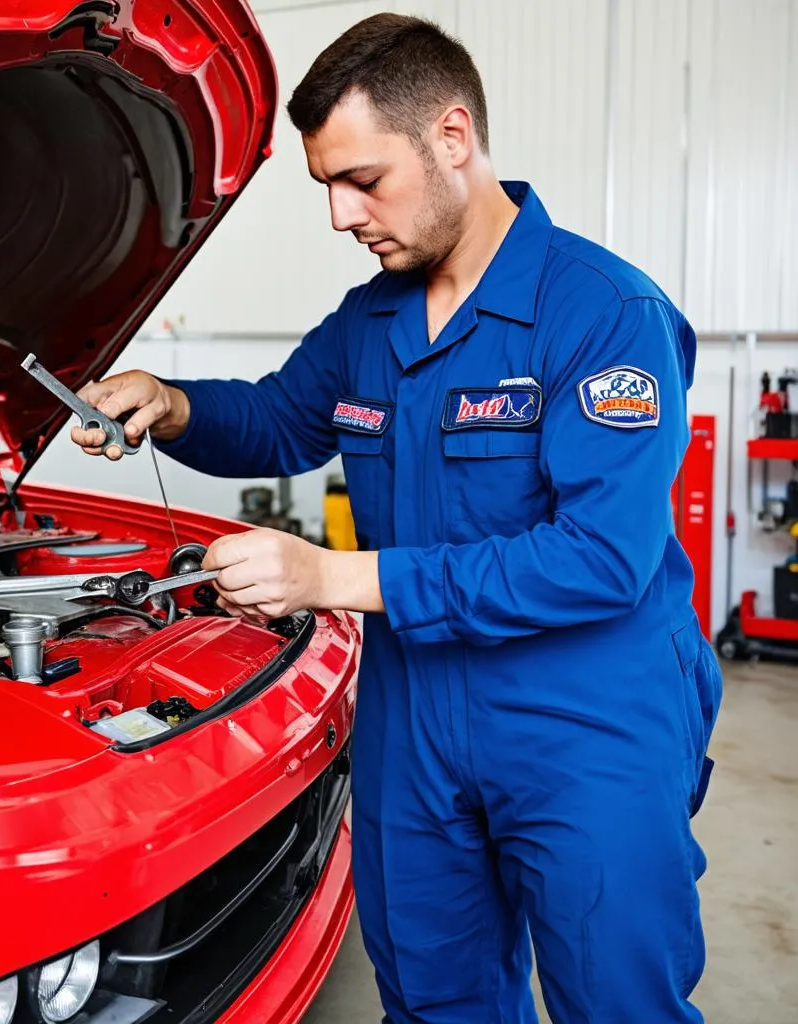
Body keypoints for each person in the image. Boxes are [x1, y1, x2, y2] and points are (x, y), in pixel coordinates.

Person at [71, 14, 723, 1024]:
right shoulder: (371, 318)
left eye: (362, 180)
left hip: (585, 715)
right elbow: (283, 418)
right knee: (429, 995)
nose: (339, 214)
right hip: (415, 718)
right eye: (325, 185)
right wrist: (173, 401)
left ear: (451, 139)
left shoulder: (603, 313)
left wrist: (330, 577)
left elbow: (599, 559)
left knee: (616, 1001)